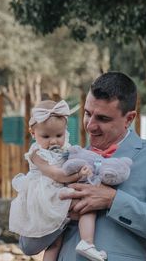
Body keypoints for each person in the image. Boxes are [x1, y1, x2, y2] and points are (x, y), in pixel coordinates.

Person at [19, 71, 146, 260]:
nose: (90, 125)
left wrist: (113, 200)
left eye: (103, 118)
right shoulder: (63, 162)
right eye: (87, 114)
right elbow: (27, 245)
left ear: (129, 119)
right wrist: (61, 213)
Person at [9, 99, 103, 261]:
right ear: (33, 133)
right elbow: (57, 175)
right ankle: (87, 242)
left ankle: (86, 243)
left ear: (65, 130)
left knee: (56, 242)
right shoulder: (37, 153)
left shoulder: (67, 149)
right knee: (86, 207)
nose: (53, 141)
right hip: (47, 196)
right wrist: (79, 175)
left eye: (58, 135)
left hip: (59, 191)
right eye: (45, 136)